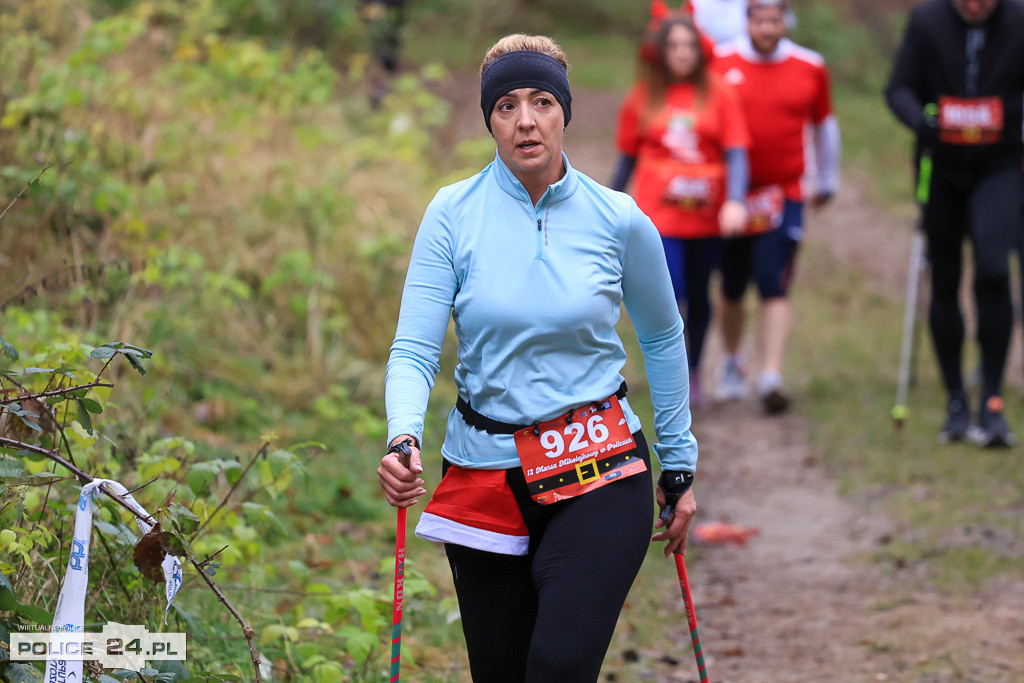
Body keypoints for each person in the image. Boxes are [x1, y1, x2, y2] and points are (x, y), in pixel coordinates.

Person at [378, 34, 700, 682]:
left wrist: (680, 460)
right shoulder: (452, 214)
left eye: (542, 101)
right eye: (506, 106)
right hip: (483, 470)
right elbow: (414, 346)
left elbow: (663, 337)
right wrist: (403, 435)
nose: (525, 120)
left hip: (601, 466)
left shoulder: (620, 219)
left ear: (564, 112)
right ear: (490, 120)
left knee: (557, 665)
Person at [885, 0, 1024, 446]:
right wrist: (922, 118)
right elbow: (899, 88)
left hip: (999, 166)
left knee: (993, 269)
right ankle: (957, 402)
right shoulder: (927, 20)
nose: (975, 6)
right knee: (944, 278)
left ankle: (993, 399)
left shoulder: (1018, 20)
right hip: (941, 167)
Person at [612, 11, 750, 407]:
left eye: (689, 46)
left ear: (701, 51)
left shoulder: (720, 93)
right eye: (673, 46)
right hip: (661, 218)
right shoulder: (643, 96)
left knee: (701, 294)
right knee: (669, 296)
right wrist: (603, 208)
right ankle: (667, 374)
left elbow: (737, 153)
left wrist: (736, 201)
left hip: (706, 217)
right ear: (660, 52)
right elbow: (626, 161)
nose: (681, 54)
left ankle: (693, 371)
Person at [710, 0, 840, 414]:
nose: (767, 29)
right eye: (759, 21)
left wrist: (827, 180)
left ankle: (771, 375)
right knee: (731, 286)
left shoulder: (810, 66)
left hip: (785, 193)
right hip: (731, 195)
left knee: (775, 282)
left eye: (774, 20)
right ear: (747, 21)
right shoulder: (721, 61)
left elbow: (824, 125)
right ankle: (732, 360)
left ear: (785, 21)